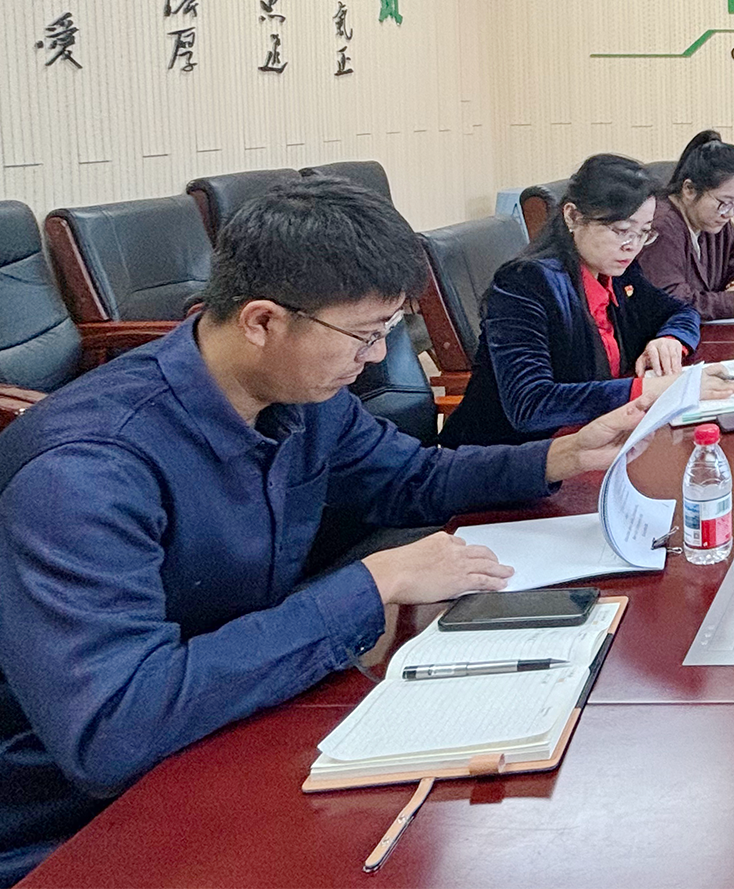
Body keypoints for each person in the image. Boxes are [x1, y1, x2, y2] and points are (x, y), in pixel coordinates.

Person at [0, 177, 657, 885]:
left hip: (238, 719)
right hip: (83, 822)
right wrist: (371, 585)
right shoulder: (87, 470)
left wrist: (559, 455)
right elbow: (113, 726)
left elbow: (410, 477)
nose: (375, 359)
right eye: (365, 335)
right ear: (262, 321)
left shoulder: (298, 393)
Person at [440, 154, 732, 449]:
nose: (632, 246)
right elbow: (531, 405)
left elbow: (681, 311)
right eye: (621, 230)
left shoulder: (617, 271)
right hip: (508, 457)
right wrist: (657, 388)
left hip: (594, 439)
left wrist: (671, 339)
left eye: (644, 233)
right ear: (572, 216)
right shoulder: (525, 284)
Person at [637, 129, 734, 321]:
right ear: (689, 190)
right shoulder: (661, 227)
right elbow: (671, 301)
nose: (729, 213)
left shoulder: (715, 222)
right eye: (724, 202)